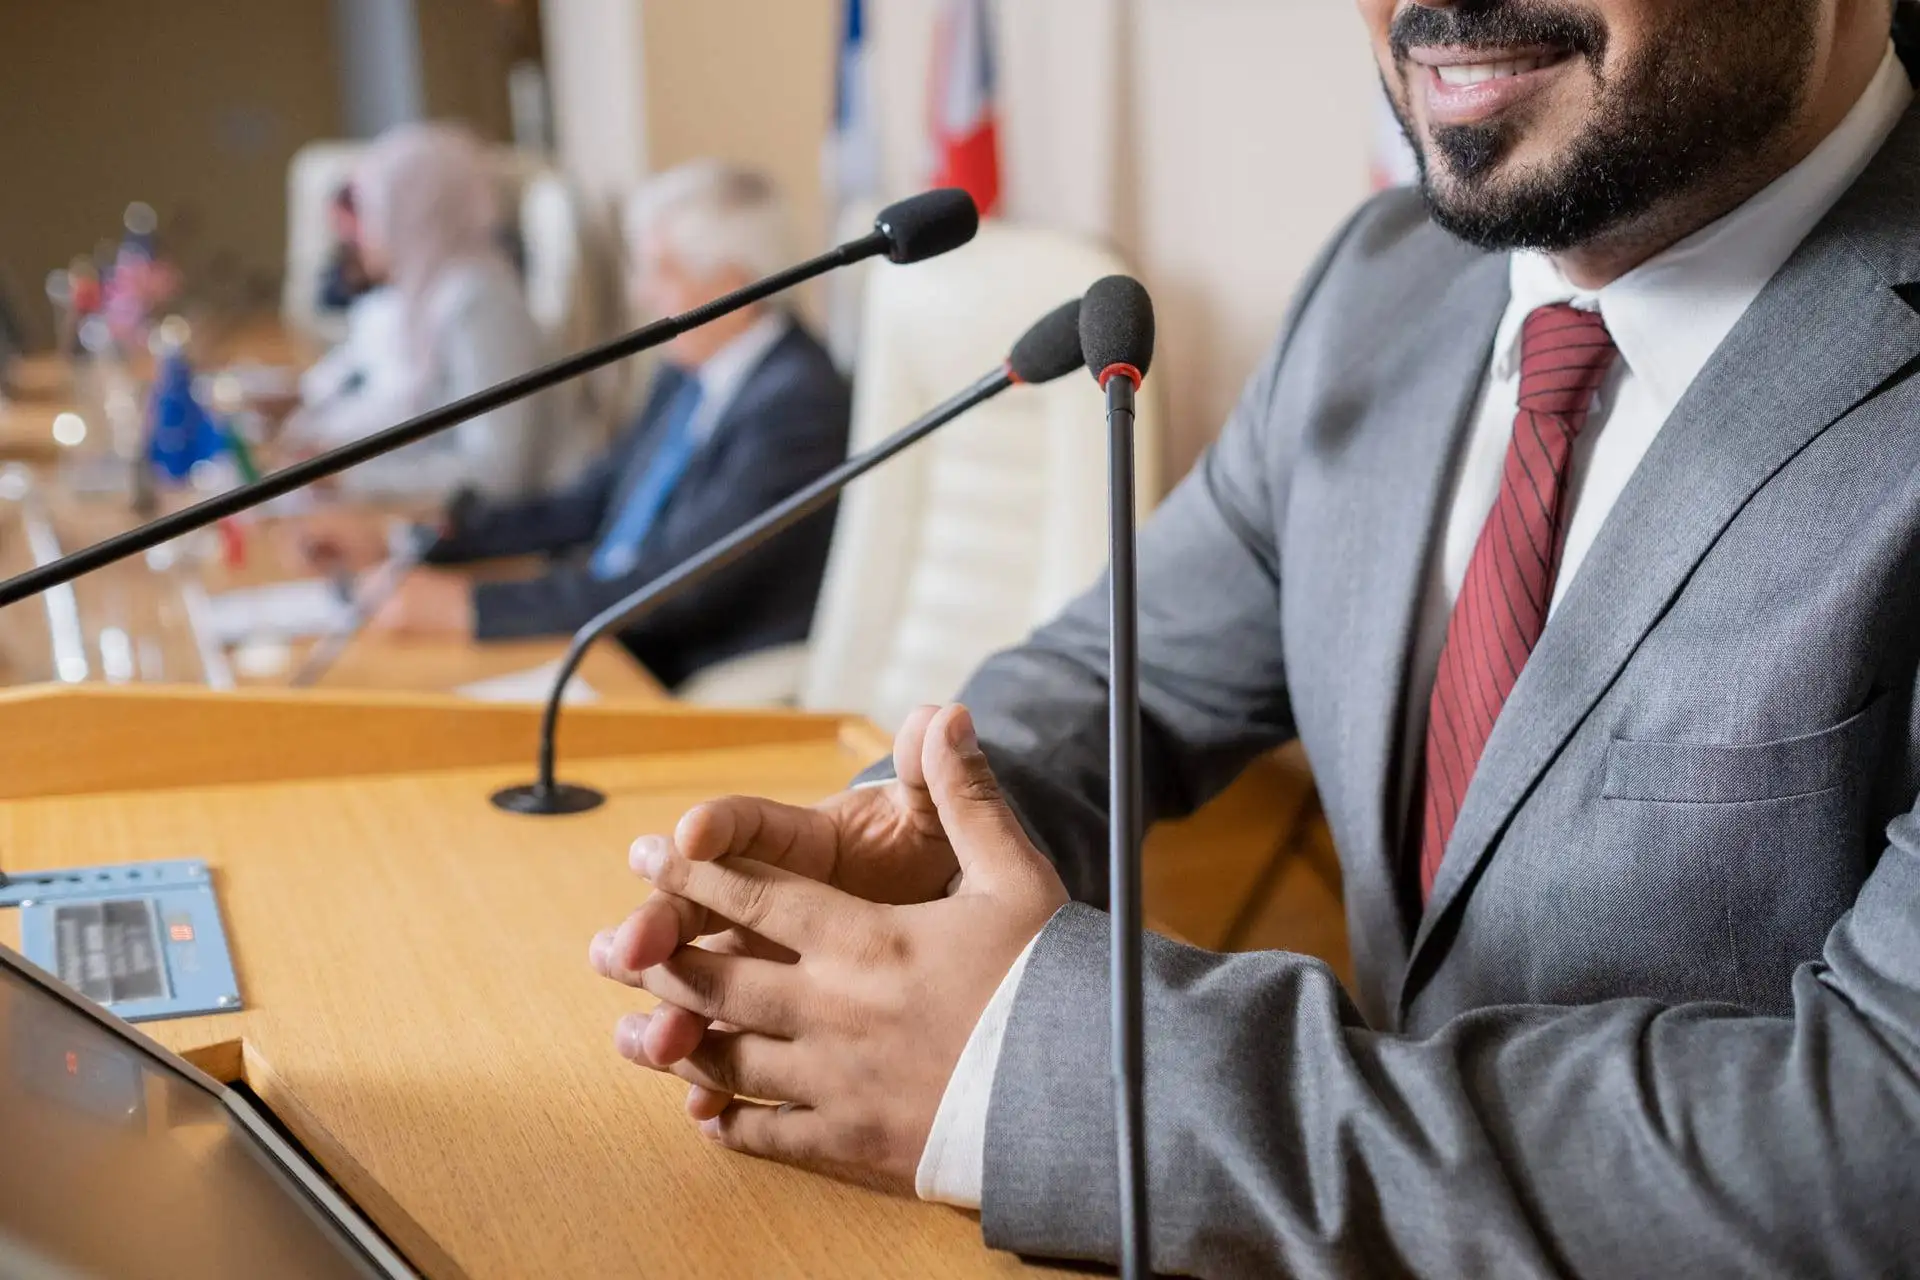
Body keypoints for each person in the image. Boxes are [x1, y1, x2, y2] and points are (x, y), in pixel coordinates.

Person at [588, 0, 1920, 1274]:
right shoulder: (1381, 281)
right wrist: (916, 837)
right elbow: (1119, 670)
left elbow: (1878, 1141)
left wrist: (1048, 1071)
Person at [304, 162, 851, 690]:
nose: (642, 294)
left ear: (733, 289)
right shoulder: (691, 368)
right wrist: (411, 544)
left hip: (675, 668)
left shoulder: (799, 403)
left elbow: (675, 588)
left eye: (661, 270)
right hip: (610, 635)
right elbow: (583, 504)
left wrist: (471, 607)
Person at [285, 122, 567, 501]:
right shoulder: (418, 295)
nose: (361, 234)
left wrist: (349, 479)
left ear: (413, 213)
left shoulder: (481, 302)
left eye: (374, 212)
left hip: (488, 538)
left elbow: (498, 471)